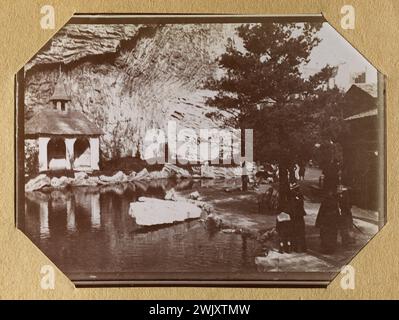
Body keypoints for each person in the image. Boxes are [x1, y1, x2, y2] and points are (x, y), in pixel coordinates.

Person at [287, 182, 307, 252]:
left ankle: (298, 247)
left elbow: (293, 206)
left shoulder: (296, 196)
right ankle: (299, 247)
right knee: (299, 232)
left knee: (296, 232)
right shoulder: (296, 196)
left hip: (296, 216)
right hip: (297, 216)